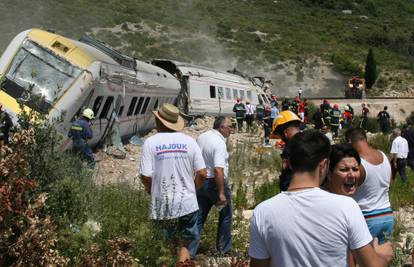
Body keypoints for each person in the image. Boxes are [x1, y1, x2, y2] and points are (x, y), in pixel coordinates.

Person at [249, 130, 393, 267]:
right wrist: (382, 256)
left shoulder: (263, 211)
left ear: (290, 163)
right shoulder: (346, 206)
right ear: (324, 165)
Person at [139, 103, 207, 263]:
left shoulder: (151, 142)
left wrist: (151, 190)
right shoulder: (190, 141)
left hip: (163, 203)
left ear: (159, 122)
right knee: (184, 245)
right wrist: (193, 188)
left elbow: (145, 175)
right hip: (187, 203)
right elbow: (203, 173)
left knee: (165, 247)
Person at [325, 144, 393, 267]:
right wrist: (379, 256)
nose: (352, 175)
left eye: (355, 169)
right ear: (328, 173)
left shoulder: (346, 205)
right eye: (344, 170)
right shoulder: (343, 208)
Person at [189, 116, 233, 258]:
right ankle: (223, 250)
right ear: (221, 127)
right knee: (226, 215)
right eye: (229, 127)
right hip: (214, 183)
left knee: (199, 216)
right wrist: (221, 193)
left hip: (200, 181)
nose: (231, 130)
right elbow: (218, 170)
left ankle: (190, 251)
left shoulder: (202, 137)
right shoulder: (219, 143)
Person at [345, 128, 393, 244]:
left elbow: (348, 191)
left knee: (363, 261)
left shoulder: (358, 164)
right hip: (387, 214)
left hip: (367, 217)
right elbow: (390, 183)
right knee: (382, 259)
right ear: (365, 139)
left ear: (349, 141)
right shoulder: (383, 155)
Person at [272, 111, 301, 191]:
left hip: (292, 195)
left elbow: (285, 170)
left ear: (285, 133)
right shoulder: (310, 142)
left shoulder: (289, 149)